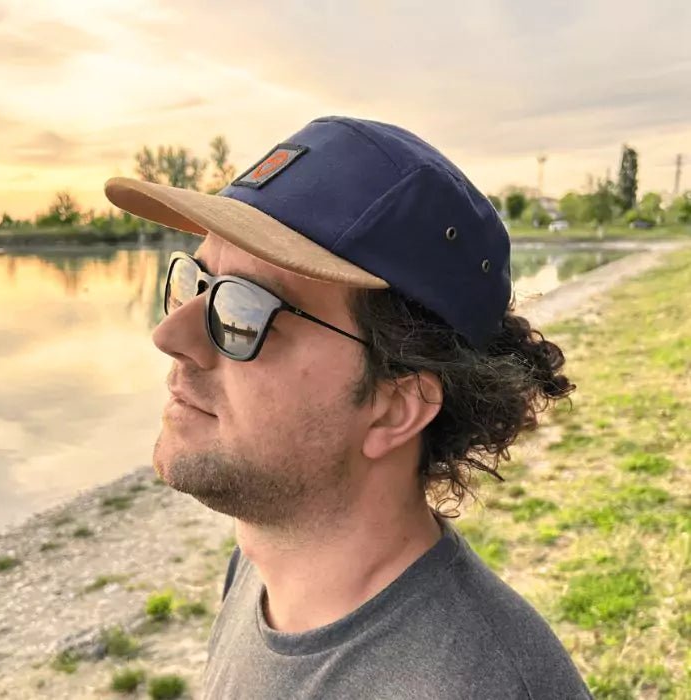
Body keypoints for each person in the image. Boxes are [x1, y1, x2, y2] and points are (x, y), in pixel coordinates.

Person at [104, 115, 592, 699]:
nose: (170, 336)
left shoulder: (476, 686)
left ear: (395, 408)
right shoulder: (259, 570)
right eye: (194, 282)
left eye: (244, 311)